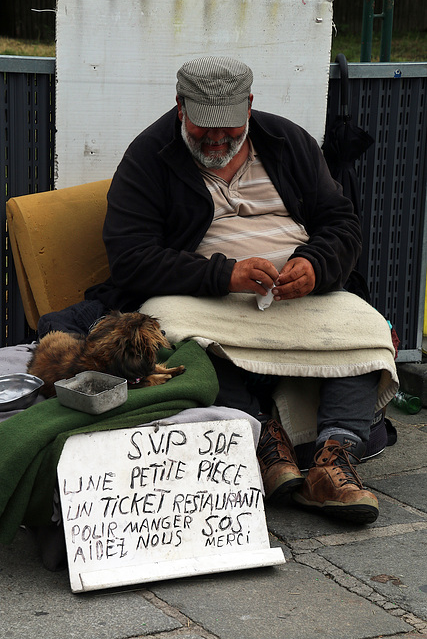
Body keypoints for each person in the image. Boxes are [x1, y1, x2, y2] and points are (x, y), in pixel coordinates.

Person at [87, 56, 390, 525]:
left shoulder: (288, 141)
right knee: (173, 333)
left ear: (249, 107)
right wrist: (222, 275)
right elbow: (130, 257)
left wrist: (314, 265)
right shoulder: (150, 155)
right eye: (203, 127)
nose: (216, 139)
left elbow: (341, 223)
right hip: (203, 296)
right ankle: (265, 440)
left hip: (298, 294)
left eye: (228, 128)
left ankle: (335, 459)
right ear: (179, 107)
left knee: (366, 329)